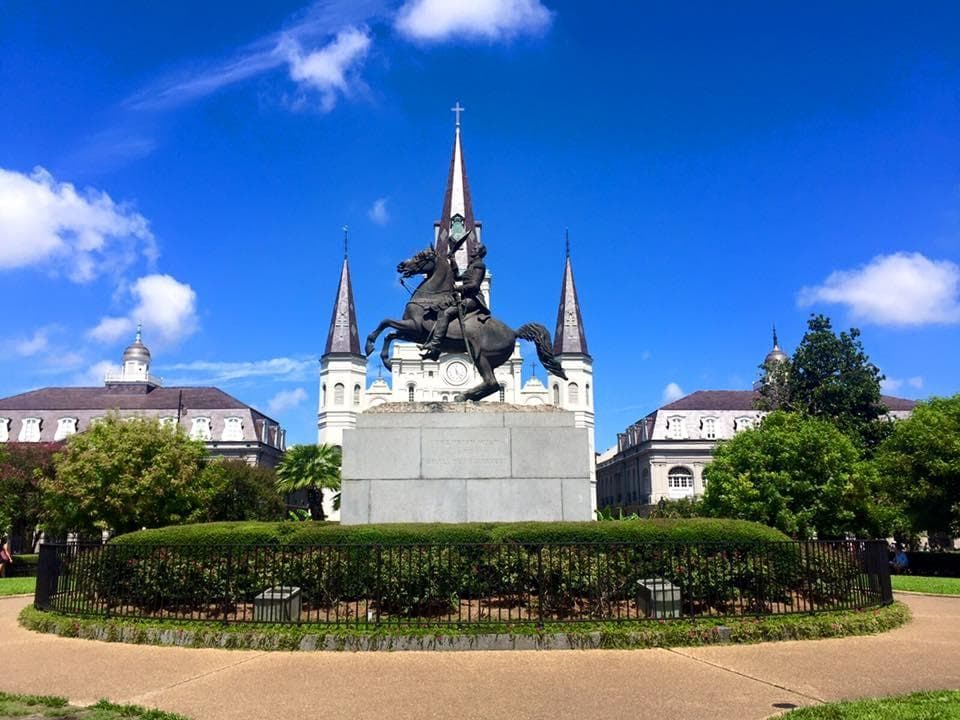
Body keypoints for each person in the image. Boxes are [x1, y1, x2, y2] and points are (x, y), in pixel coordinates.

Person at [419, 236, 489, 361]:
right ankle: (436, 350)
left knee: (446, 313)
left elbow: (474, 285)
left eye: (475, 248)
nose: (472, 249)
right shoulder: (471, 266)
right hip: (465, 297)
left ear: (480, 252)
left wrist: (459, 288)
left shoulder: (479, 266)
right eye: (473, 248)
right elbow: (457, 276)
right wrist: (452, 259)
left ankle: (435, 344)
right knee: (441, 308)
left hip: (473, 299)